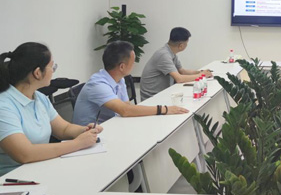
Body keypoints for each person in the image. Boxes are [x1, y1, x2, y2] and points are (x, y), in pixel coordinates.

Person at [0, 43, 101, 175]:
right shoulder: (4, 106)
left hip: (41, 168)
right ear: (37, 73)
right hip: (13, 179)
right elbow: (25, 154)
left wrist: (84, 130)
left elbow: (63, 129)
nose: (53, 71)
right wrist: (78, 143)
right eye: (52, 67)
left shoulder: (39, 98)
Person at [73, 41, 189, 126]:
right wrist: (164, 109)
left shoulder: (120, 79)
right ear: (122, 67)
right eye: (133, 62)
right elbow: (125, 110)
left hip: (111, 126)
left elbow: (127, 106)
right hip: (89, 136)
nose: (134, 65)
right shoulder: (97, 85)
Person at [140, 27, 212, 101]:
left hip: (163, 94)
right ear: (181, 46)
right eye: (186, 43)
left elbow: (182, 71)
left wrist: (200, 72)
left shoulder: (171, 53)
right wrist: (201, 75)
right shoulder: (163, 55)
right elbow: (179, 79)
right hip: (152, 98)